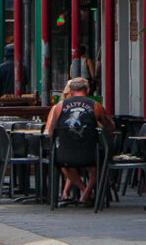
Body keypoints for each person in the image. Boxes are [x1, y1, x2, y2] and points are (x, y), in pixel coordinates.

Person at [44, 77, 112, 206]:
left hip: (64, 156)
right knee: (99, 166)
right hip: (90, 154)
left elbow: (51, 131)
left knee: (66, 167)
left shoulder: (59, 106)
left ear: (71, 90)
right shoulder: (95, 106)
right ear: (87, 89)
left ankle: (84, 193)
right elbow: (109, 127)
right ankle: (86, 195)